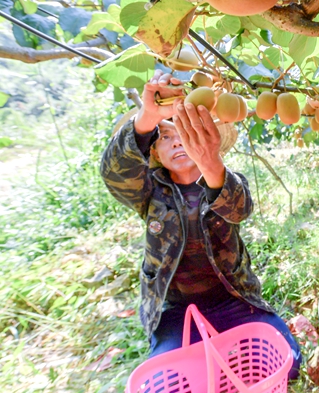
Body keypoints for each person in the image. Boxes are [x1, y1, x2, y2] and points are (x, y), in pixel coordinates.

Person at [101, 70, 301, 377]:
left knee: (287, 361)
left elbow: (240, 207)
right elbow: (115, 173)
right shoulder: (149, 191)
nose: (177, 142)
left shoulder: (222, 181)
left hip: (233, 299)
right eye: (165, 136)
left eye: (186, 133)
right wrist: (147, 118)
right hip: (175, 312)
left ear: (208, 140)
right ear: (154, 151)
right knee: (170, 378)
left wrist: (210, 162)